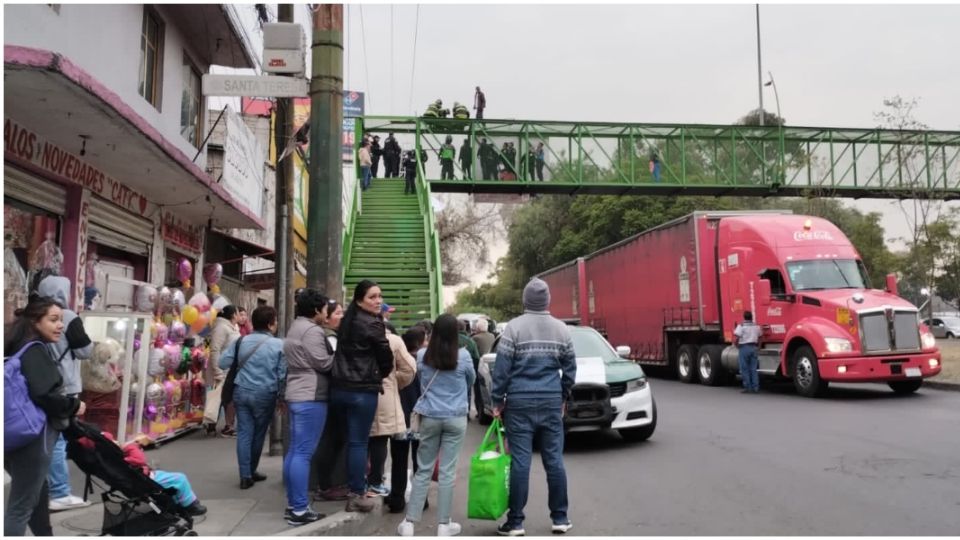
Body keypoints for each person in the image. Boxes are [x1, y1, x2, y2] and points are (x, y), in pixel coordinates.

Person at [491, 278, 576, 536]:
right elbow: (570, 370)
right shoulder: (562, 329)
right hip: (551, 402)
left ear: (525, 301)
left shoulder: (514, 328)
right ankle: (560, 518)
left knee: (520, 463)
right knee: (554, 461)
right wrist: (562, 396)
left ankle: (515, 522)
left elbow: (502, 370)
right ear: (548, 300)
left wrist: (497, 401)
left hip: (519, 403)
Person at [4, 295, 86, 536]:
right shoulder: (35, 351)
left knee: (37, 493)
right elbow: (45, 395)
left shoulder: (14, 347)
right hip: (34, 436)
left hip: (13, 434)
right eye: (53, 320)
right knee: (21, 506)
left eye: (61, 319)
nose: (60, 325)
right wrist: (74, 405)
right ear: (35, 322)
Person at [396, 314, 475, 537]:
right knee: (447, 472)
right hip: (456, 417)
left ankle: (410, 524)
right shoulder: (465, 356)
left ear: (433, 333)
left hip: (430, 416)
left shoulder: (422, 355)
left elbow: (419, 378)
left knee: (423, 469)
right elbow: (470, 381)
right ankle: (443, 525)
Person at [329, 280, 394, 513]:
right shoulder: (372, 324)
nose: (378, 301)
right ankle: (357, 492)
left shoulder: (347, 320)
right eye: (372, 297)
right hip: (361, 390)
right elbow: (386, 357)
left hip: (338, 388)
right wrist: (380, 374)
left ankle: (335, 484)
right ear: (359, 300)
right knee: (358, 442)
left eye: (380, 296)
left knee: (344, 440)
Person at [36, 276, 93, 513]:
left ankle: (44, 488)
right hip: (65, 386)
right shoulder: (67, 317)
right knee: (58, 440)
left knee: (47, 438)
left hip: (41, 383)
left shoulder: (35, 316)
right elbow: (85, 351)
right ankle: (59, 492)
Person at [218, 306, 285, 491]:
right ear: (271, 324)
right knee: (259, 434)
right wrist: (281, 397)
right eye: (275, 321)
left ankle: (245, 475)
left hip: (241, 391)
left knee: (245, 433)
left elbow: (222, 362)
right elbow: (281, 374)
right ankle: (252, 470)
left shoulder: (241, 341)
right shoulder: (278, 345)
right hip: (265, 394)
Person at [283, 290, 335, 525]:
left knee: (295, 451)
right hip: (310, 395)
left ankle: (294, 504)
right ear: (316, 310)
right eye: (325, 309)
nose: (327, 313)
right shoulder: (312, 331)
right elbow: (323, 363)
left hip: (296, 393)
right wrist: (343, 354)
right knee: (303, 453)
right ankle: (300, 510)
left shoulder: (295, 326)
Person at [97, 432, 206, 516]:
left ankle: (181, 502)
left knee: (165, 475)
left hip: (136, 480)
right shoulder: (126, 449)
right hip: (146, 479)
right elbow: (140, 460)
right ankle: (189, 505)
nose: (116, 441)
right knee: (180, 478)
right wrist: (132, 448)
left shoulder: (105, 459)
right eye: (114, 440)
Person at [366, 322, 416, 497]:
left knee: (359, 441)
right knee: (379, 439)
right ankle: (375, 481)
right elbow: (409, 369)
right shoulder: (393, 341)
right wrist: (395, 382)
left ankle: (359, 481)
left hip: (355, 392)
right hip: (383, 395)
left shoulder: (352, 337)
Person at [385, 326, 428, 513]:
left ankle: (397, 499)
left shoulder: (397, 362)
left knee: (399, 460)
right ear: (420, 343)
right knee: (420, 461)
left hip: (400, 417)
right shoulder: (426, 363)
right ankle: (421, 500)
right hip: (420, 418)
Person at [313, 299, 350, 502]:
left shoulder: (326, 335)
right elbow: (336, 364)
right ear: (326, 317)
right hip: (330, 394)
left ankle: (325, 484)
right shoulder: (330, 338)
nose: (341, 316)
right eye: (337, 313)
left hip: (326, 394)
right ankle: (325, 486)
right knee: (331, 441)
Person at [205, 305, 241, 436]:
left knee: (229, 399)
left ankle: (228, 426)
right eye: (238, 313)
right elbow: (215, 350)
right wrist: (217, 371)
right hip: (221, 370)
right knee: (217, 398)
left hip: (230, 369)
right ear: (233, 315)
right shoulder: (221, 328)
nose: (239, 316)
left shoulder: (233, 328)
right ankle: (211, 425)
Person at [458, 320, 483, 422]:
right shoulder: (470, 341)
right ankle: (466, 414)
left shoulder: (446, 340)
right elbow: (476, 358)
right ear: (464, 328)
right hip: (465, 372)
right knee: (467, 393)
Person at [733, 311, 762, 394]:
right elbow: (760, 337)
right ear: (751, 317)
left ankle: (747, 387)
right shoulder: (756, 326)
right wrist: (759, 347)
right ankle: (756, 387)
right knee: (753, 369)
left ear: (744, 317)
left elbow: (736, 337)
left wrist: (736, 345)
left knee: (744, 369)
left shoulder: (741, 326)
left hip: (744, 348)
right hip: (754, 347)